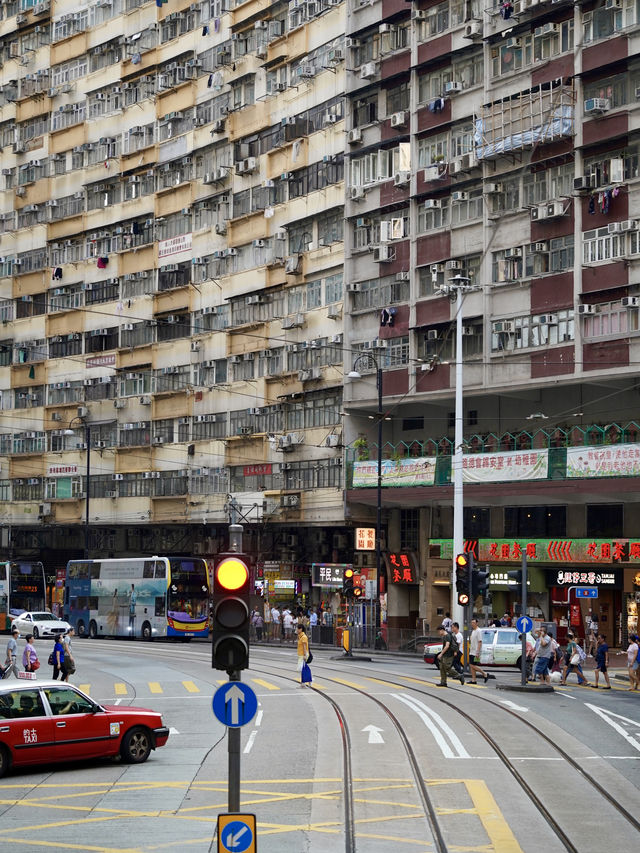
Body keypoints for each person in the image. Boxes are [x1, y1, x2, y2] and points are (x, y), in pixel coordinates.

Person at [469, 618, 489, 684]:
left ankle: (484, 673)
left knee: (472, 665)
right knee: (472, 666)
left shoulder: (479, 631)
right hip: (471, 650)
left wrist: (477, 652)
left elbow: (480, 642)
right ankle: (473, 680)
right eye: (471, 623)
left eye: (474, 622)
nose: (472, 624)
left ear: (477, 623)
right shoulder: (473, 631)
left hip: (476, 651)